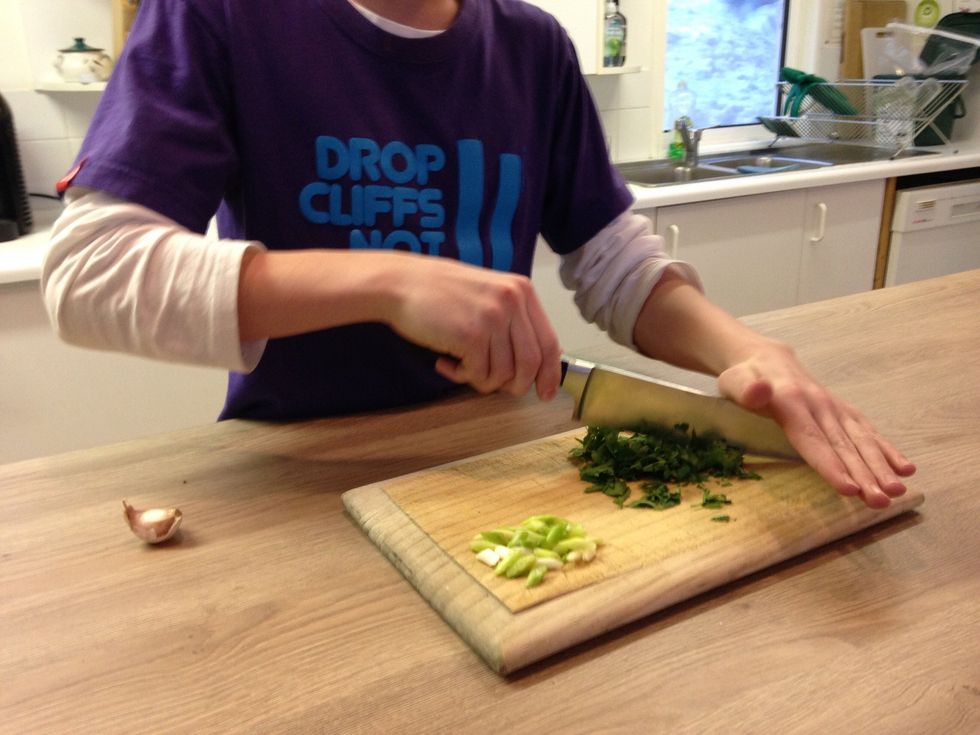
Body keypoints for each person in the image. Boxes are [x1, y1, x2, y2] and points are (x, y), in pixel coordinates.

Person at [41, 0, 915, 509]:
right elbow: (90, 273)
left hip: (502, 464)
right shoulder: (222, 16)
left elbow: (613, 262)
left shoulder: (533, 48)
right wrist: (389, 280)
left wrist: (749, 352)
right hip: (307, 476)